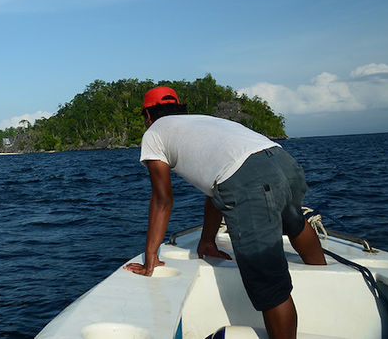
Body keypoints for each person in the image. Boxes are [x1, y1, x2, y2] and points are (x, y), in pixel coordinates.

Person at [124, 86, 325, 339]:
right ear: (179, 108)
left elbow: (162, 200)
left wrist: (150, 256)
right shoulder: (202, 121)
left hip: (248, 181)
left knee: (269, 283)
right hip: (283, 162)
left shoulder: (154, 133)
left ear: (148, 116)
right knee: (294, 221)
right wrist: (207, 240)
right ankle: (325, 274)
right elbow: (218, 188)